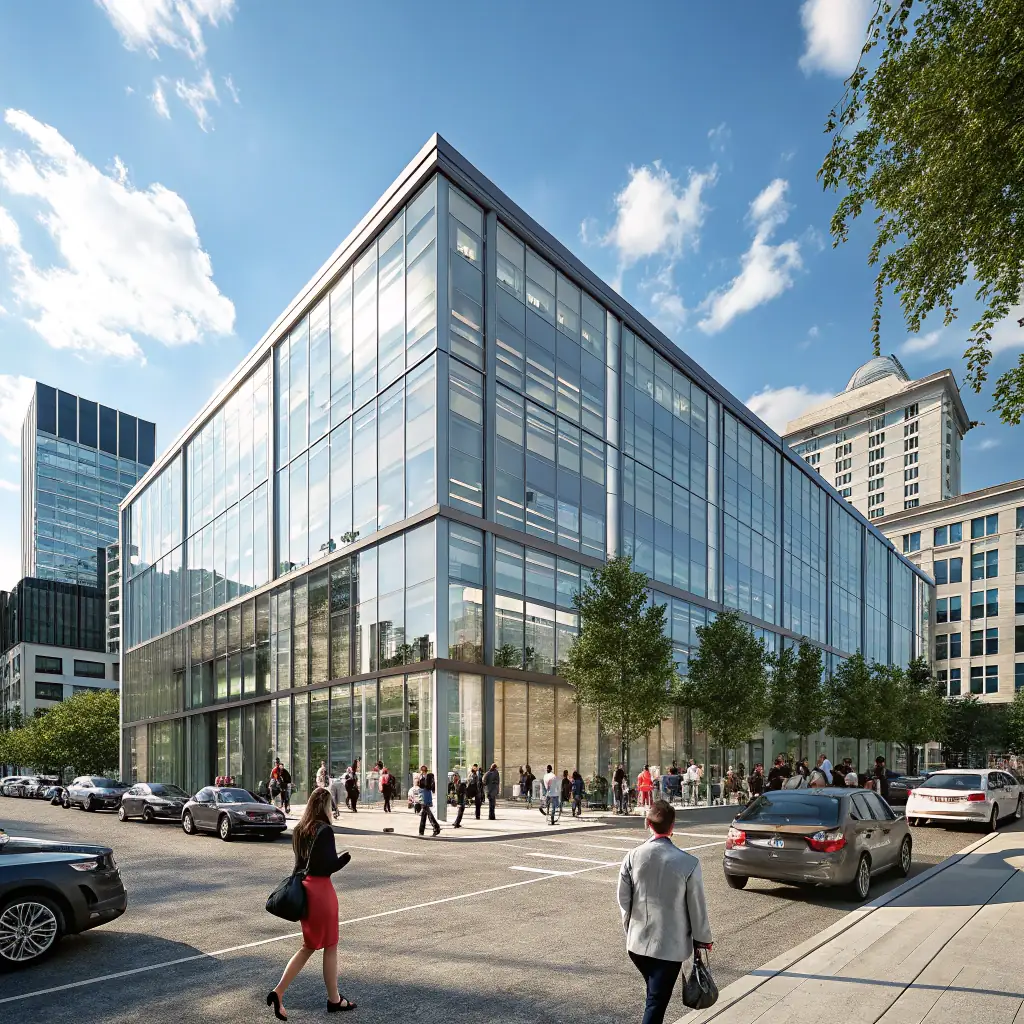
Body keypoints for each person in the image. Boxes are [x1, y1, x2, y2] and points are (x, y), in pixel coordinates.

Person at [617, 800, 712, 1024]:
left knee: (654, 995)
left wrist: (629, 929)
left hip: (637, 944)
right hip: (670, 948)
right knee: (656, 1003)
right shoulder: (689, 863)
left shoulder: (632, 856)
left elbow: (623, 900)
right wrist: (703, 939)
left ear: (648, 823)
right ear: (673, 826)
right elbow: (696, 905)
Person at [266, 787, 355, 1019]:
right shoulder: (324, 830)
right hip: (321, 891)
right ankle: (334, 999)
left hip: (305, 888)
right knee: (330, 945)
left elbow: (302, 864)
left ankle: (279, 992)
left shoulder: (300, 829)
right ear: (325, 805)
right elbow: (325, 866)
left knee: (308, 946)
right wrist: (344, 860)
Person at [417, 764, 441, 837]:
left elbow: (425, 787)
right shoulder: (422, 777)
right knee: (424, 814)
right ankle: (422, 831)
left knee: (427, 812)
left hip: (425, 796)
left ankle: (436, 828)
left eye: (422, 770)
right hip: (424, 795)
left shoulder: (426, 777)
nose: (422, 771)